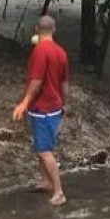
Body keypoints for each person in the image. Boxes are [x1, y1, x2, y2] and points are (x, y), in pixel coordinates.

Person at [12, 15, 70, 206]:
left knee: (45, 151)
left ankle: (59, 192)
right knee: (40, 147)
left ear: (37, 28)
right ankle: (46, 181)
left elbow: (36, 83)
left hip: (43, 108)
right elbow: (65, 84)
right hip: (54, 107)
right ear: (54, 30)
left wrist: (24, 103)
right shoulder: (61, 52)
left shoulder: (39, 51)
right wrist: (65, 104)